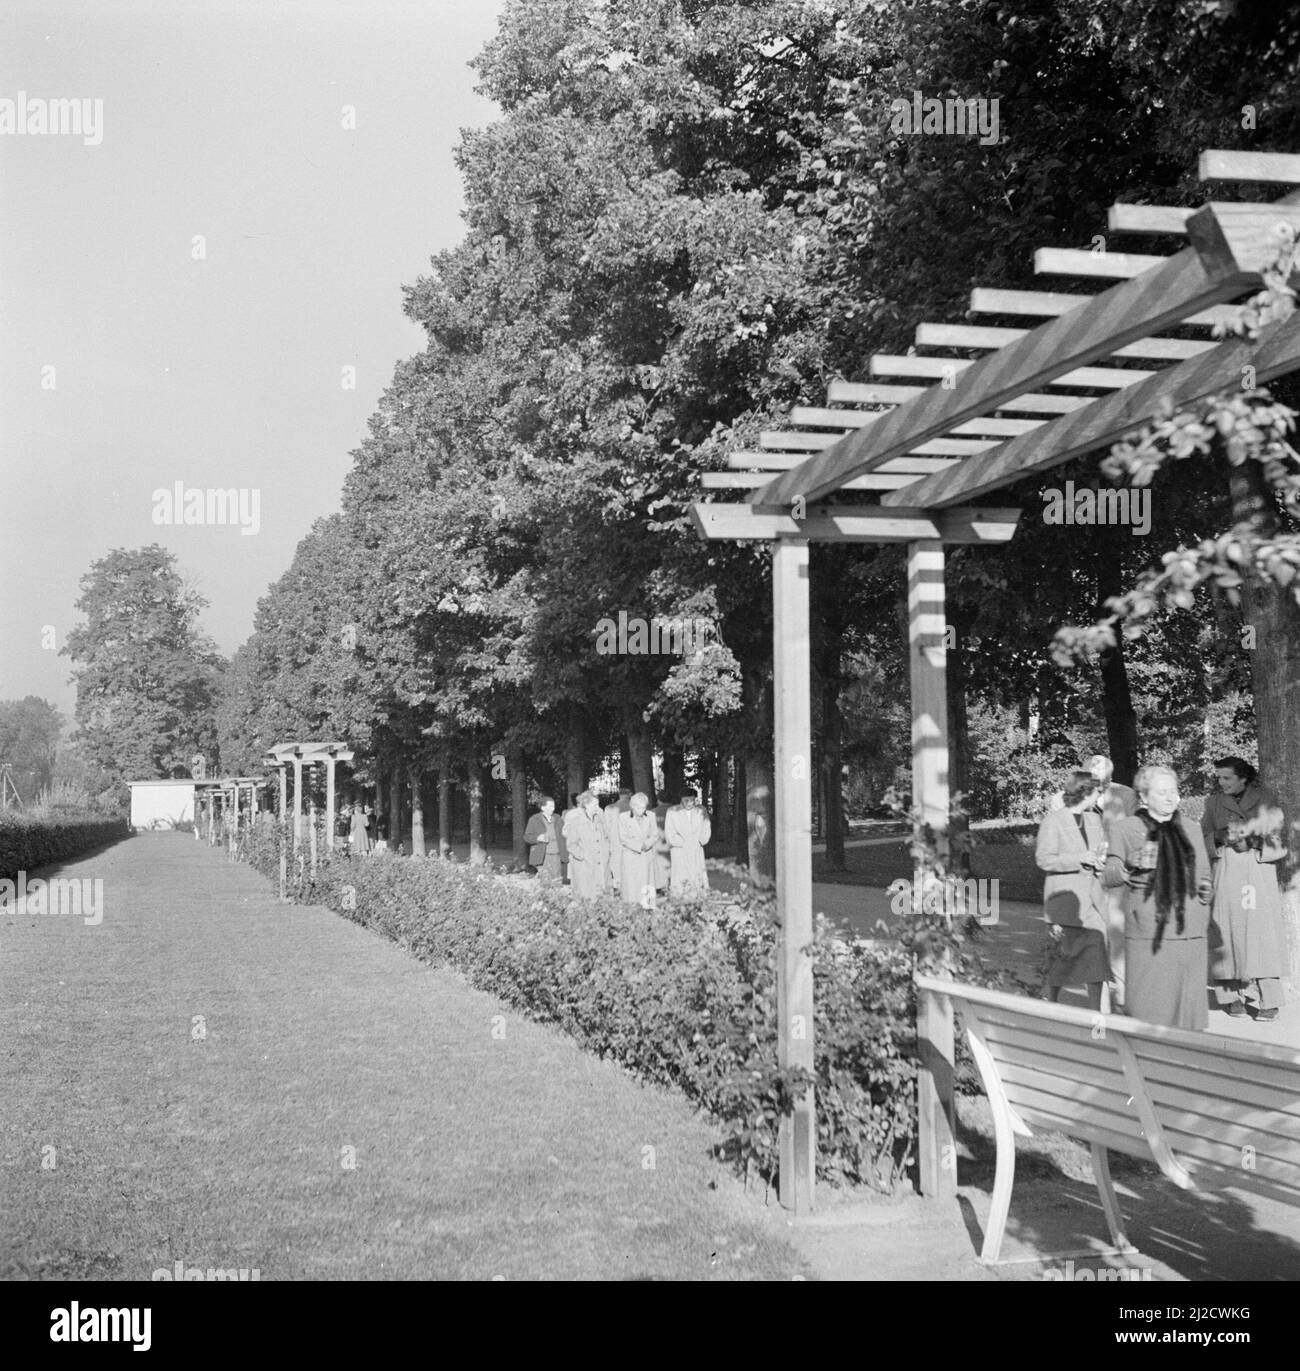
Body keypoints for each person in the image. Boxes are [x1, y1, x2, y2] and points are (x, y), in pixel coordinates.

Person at [1103, 765, 1213, 1030]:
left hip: (1190, 929)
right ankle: (1148, 1059)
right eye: (1162, 792)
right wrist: (1130, 864)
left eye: (1174, 791)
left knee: (1187, 1009)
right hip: (1149, 928)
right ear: (1143, 796)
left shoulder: (1191, 828)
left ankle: (1185, 1061)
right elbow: (1109, 875)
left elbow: (1205, 872)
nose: (1170, 798)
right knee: (1151, 1004)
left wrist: (1206, 890)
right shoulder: (1125, 829)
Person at [1201, 756, 1287, 1022]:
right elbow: (1200, 837)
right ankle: (1229, 995)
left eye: (1227, 777)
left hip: (1256, 875)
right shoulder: (1213, 803)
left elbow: (1281, 843)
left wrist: (1254, 843)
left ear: (1243, 778)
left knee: (1261, 936)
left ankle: (1270, 999)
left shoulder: (1266, 802)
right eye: (1219, 778)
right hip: (1225, 874)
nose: (1221, 782)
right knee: (1224, 932)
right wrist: (1216, 837)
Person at [1035, 771, 1110, 1010]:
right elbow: (1044, 860)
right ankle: (1052, 1007)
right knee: (1060, 962)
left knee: (1097, 962)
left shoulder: (1095, 820)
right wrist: (1079, 858)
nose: (1100, 797)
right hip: (1064, 902)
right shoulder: (1053, 821)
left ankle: (1098, 1018)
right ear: (1085, 792)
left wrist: (1100, 862)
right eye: (1098, 791)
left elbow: (1099, 854)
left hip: (1093, 903)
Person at [665, 789, 712, 896]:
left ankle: (698, 899)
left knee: (697, 874)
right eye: (686, 800)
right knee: (681, 876)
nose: (690, 803)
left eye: (692, 800)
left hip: (696, 848)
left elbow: (706, 827)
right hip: (680, 850)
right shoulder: (672, 811)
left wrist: (701, 840)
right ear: (681, 799)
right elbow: (669, 832)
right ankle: (680, 899)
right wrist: (681, 842)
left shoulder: (701, 811)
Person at [562, 791, 607, 900]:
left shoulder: (599, 815)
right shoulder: (575, 818)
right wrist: (583, 856)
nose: (598, 807)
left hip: (598, 862)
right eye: (595, 805)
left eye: (598, 804)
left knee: (599, 894)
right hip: (583, 864)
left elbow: (605, 835)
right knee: (584, 895)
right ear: (586, 804)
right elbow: (571, 844)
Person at [617, 792, 659, 907]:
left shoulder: (651, 816)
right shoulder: (623, 817)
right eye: (638, 808)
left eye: (644, 807)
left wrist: (647, 844)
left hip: (646, 856)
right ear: (632, 806)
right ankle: (631, 910)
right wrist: (639, 846)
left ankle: (648, 910)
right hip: (630, 857)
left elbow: (655, 834)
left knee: (646, 886)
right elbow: (623, 838)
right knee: (631, 887)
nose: (641, 810)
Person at [523, 796, 562, 879]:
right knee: (545, 881)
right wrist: (538, 838)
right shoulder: (534, 819)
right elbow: (527, 837)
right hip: (543, 856)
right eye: (551, 806)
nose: (553, 809)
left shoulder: (558, 818)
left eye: (554, 806)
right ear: (543, 808)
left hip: (557, 855)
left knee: (557, 880)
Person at [602, 788, 632, 893]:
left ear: (619, 795)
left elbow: (605, 829)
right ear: (629, 794)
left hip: (615, 843)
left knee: (617, 870)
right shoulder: (633, 807)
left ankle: (618, 892)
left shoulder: (609, 808)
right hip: (631, 844)